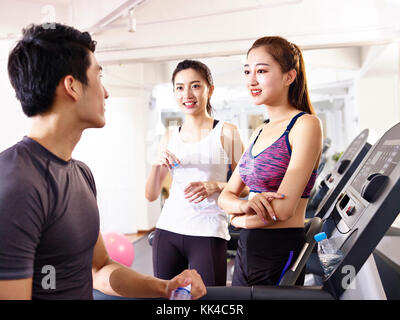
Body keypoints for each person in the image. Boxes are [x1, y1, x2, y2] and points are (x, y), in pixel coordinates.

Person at [0, 23, 206, 300]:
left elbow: (99, 269)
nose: (106, 92)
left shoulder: (80, 173)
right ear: (72, 86)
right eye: (98, 77)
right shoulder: (16, 184)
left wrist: (164, 287)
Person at [218, 36, 323, 286]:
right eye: (247, 71)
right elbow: (226, 196)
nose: (251, 80)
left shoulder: (305, 125)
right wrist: (243, 208)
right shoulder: (259, 132)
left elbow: (283, 211)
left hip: (279, 250)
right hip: (246, 249)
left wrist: (237, 219)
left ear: (289, 76)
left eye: (262, 70)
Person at [145, 60, 246, 286]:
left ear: (209, 90)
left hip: (208, 230)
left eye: (195, 86)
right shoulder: (170, 135)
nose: (187, 94)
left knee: (211, 302)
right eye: (180, 87)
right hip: (168, 229)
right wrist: (155, 164)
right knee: (168, 300)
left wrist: (217, 186)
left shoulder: (227, 132)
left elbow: (247, 184)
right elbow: (151, 195)